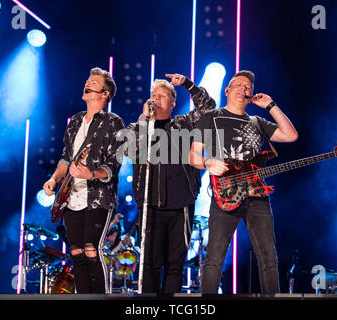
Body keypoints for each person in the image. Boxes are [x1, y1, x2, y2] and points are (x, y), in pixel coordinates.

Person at [189, 70, 298, 294]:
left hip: (257, 194)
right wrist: (208, 163)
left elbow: (290, 136)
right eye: (238, 84)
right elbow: (193, 156)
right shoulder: (212, 117)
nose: (243, 88)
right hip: (225, 193)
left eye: (248, 86)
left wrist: (271, 106)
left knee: (268, 257)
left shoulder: (258, 122)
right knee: (214, 259)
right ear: (227, 90)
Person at [124, 73, 216, 293]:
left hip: (180, 204)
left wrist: (187, 84)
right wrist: (145, 120)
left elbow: (209, 108)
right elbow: (130, 151)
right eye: (153, 95)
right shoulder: (137, 126)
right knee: (149, 264)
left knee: (175, 265)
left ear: (173, 103)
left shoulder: (183, 123)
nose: (156, 99)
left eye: (162, 96)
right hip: (149, 206)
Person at [43, 67, 125, 294]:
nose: (87, 85)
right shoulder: (76, 121)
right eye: (87, 81)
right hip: (71, 196)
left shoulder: (114, 122)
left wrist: (90, 174)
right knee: (76, 251)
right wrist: (54, 179)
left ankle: (101, 298)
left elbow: (114, 164)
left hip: (98, 196)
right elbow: (66, 157)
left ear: (105, 93)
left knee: (91, 248)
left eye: (93, 83)